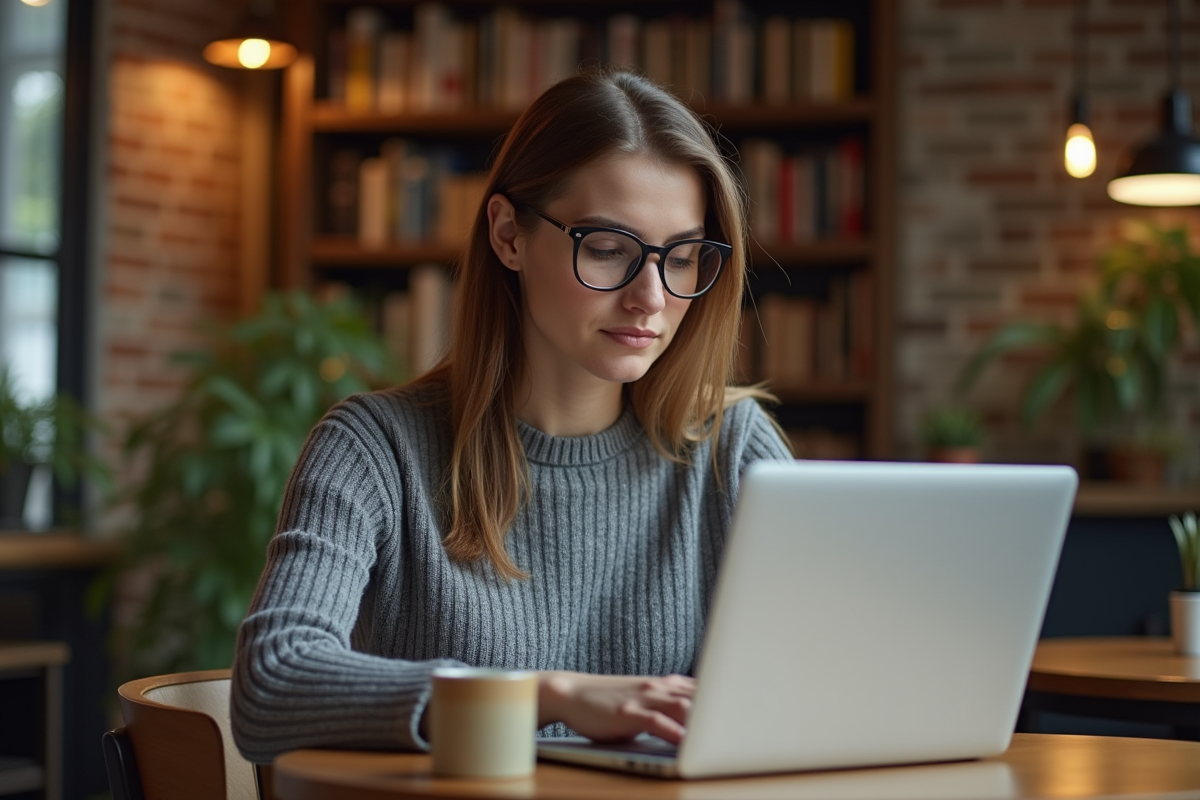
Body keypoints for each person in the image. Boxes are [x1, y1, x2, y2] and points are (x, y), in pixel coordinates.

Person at [230, 68, 793, 764]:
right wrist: (543, 695)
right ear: (508, 235)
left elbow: (824, 680)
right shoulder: (375, 449)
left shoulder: (733, 450)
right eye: (610, 249)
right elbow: (272, 682)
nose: (651, 297)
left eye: (681, 257)